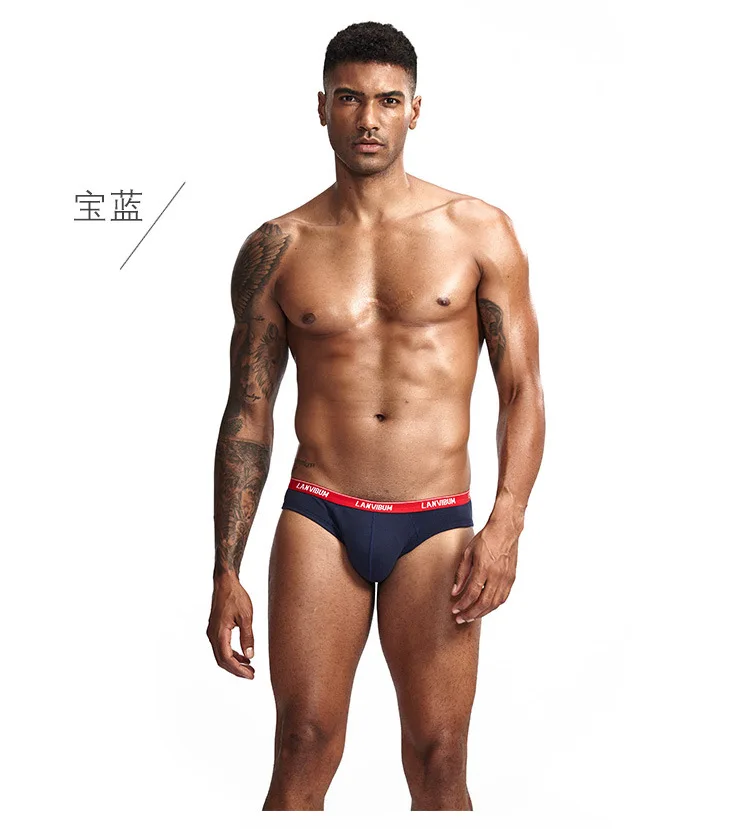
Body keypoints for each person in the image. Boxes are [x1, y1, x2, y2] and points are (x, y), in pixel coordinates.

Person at [206, 20, 545, 811]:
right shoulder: (278, 247)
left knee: (440, 758)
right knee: (302, 745)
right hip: (320, 512)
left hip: (437, 521)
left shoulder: (477, 230)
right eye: (350, 98)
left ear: (415, 110)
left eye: (389, 100)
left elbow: (522, 388)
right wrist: (226, 567)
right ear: (321, 107)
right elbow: (248, 412)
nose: (369, 118)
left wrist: (507, 521)